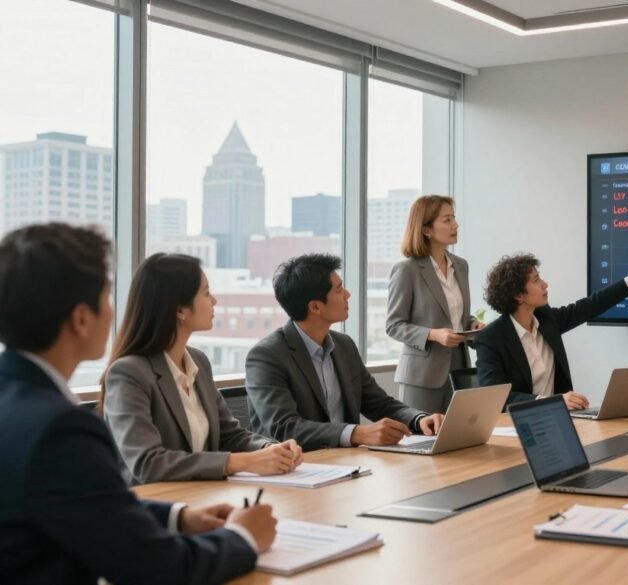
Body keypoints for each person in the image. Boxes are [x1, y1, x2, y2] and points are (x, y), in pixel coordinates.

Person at [0, 223, 276, 584]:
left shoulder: (18, 402)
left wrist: (177, 516)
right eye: (107, 297)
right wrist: (242, 538)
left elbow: (84, 503)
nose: (115, 311)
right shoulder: (59, 428)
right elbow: (158, 568)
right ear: (82, 319)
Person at [102, 253, 303, 484]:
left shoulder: (198, 362)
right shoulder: (128, 373)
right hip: (156, 509)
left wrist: (273, 449)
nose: (214, 301)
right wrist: (243, 462)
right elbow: (148, 463)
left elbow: (230, 435)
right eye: (206, 293)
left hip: (203, 498)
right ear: (180, 310)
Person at [246, 253, 443, 451]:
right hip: (297, 467)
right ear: (315, 307)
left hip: (347, 462)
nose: (347, 294)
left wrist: (419, 419)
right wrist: (357, 433)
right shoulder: (267, 356)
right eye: (339, 290)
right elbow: (285, 427)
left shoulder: (343, 345)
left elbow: (378, 403)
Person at [474, 249, 628, 409]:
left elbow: (592, 305)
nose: (545, 284)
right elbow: (494, 397)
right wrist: (551, 402)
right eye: (536, 281)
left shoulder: (546, 320)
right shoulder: (491, 338)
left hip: (557, 419)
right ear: (518, 295)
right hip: (516, 427)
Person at [386, 195, 484, 413]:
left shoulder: (461, 266)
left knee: (459, 440)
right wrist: (434, 334)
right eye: (447, 220)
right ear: (426, 229)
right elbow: (394, 325)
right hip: (421, 375)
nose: (455, 225)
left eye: (454, 218)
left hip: (459, 369)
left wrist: (472, 323)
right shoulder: (407, 270)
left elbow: (456, 315)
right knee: (422, 441)